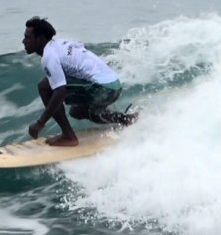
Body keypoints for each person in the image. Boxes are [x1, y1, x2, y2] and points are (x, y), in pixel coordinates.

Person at [23, 16, 137, 147]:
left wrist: (40, 123)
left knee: (44, 87)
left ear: (40, 38)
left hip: (103, 88)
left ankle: (69, 137)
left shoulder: (49, 56)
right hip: (114, 86)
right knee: (77, 111)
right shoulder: (60, 44)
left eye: (27, 37)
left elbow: (60, 91)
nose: (24, 41)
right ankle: (125, 119)